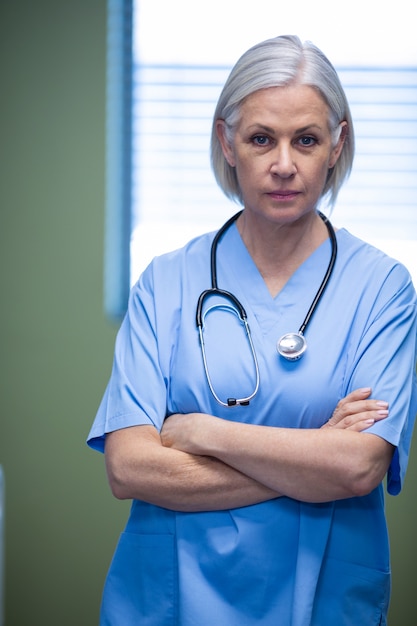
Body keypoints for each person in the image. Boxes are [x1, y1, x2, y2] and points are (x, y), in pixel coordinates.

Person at [87, 35, 417, 625]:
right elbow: (129, 468)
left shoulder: (383, 289)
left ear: (337, 144)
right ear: (227, 143)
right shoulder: (165, 283)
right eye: (261, 138)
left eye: (307, 140)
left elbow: (358, 468)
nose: (284, 164)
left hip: (319, 600)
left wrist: (200, 431)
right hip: (170, 601)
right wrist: (312, 458)